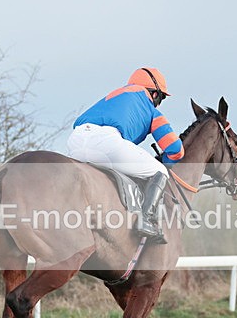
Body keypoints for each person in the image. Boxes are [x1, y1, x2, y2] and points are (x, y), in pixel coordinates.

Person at [68, 67, 184, 243]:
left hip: (75, 140)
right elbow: (176, 149)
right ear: (154, 94)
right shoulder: (150, 109)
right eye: (160, 98)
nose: (159, 104)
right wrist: (166, 163)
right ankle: (146, 220)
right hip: (106, 142)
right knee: (160, 172)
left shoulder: (113, 96)